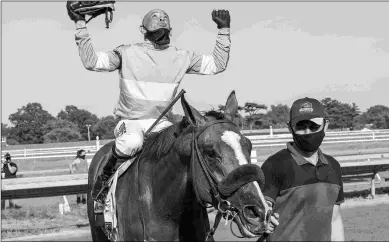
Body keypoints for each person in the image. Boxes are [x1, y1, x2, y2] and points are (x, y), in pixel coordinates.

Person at [66, 2, 232, 202]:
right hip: (131, 122)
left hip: (163, 124)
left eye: (164, 19)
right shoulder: (125, 53)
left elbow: (217, 64)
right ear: (142, 30)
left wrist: (223, 30)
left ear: (170, 30)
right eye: (155, 18)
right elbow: (91, 62)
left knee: (186, 146)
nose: (160, 18)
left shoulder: (183, 56)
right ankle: (105, 177)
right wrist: (80, 25)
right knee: (131, 143)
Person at [260, 97, 345, 241]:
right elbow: (262, 212)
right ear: (290, 127)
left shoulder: (333, 166)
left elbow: (335, 219)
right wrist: (263, 221)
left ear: (326, 125)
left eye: (313, 126)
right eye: (301, 126)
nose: (307, 132)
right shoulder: (274, 165)